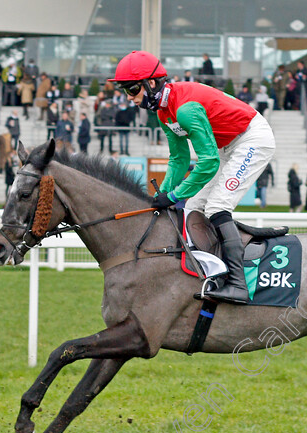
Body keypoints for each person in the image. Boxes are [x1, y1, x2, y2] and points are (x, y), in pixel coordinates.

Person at [111, 50, 276, 304]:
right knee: (194, 206)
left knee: (218, 206)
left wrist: (176, 194)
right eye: (125, 91)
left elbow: (208, 163)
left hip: (251, 139)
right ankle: (209, 272)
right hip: (226, 146)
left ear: (151, 83)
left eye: (132, 90)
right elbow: (179, 159)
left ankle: (238, 283)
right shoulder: (163, 112)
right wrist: (162, 194)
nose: (129, 98)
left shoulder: (185, 109)